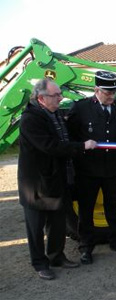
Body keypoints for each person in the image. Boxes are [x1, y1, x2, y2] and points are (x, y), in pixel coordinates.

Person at [18, 78, 96, 280]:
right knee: (35, 227)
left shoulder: (56, 114)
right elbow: (49, 146)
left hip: (56, 179)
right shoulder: (30, 119)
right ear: (42, 98)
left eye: (60, 94)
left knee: (58, 223)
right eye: (56, 95)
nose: (61, 98)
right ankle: (39, 263)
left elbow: (65, 138)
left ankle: (56, 256)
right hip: (36, 184)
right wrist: (82, 146)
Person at [67, 71, 116, 264]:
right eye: (107, 92)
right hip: (88, 169)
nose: (112, 96)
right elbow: (72, 136)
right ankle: (86, 247)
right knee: (86, 209)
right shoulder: (81, 109)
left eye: (114, 91)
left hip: (113, 167)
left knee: (113, 206)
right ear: (96, 90)